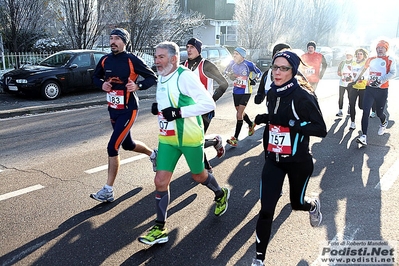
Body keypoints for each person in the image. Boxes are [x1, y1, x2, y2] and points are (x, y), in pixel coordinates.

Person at [138, 41, 230, 245]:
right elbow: (169, 102)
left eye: (161, 57)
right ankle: (160, 228)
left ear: (173, 58)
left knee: (198, 176)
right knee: (160, 181)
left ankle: (220, 192)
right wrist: (159, 108)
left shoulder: (185, 76)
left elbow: (208, 103)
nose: (156, 61)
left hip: (189, 136)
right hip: (168, 138)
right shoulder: (162, 77)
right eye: (155, 57)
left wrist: (178, 112)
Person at [251, 51, 327, 266]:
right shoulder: (273, 92)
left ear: (293, 71)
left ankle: (312, 205)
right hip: (274, 159)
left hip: (298, 162)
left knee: (296, 204)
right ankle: (259, 260)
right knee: (266, 210)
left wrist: (293, 124)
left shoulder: (303, 96)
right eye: (275, 67)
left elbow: (321, 129)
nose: (277, 72)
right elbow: (278, 119)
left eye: (284, 68)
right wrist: (267, 119)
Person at [90, 28, 158, 203]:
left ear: (124, 42)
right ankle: (153, 155)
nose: (112, 41)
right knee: (128, 144)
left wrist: (138, 87)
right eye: (111, 38)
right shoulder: (105, 60)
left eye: (116, 39)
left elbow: (152, 78)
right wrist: (101, 84)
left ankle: (108, 190)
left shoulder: (132, 60)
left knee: (113, 147)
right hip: (113, 109)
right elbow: (95, 77)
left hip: (128, 110)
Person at [183, 38, 229, 173]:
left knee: (195, 140)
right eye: (187, 47)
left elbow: (223, 83)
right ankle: (215, 142)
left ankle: (206, 168)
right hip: (189, 109)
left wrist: (212, 100)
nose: (189, 50)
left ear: (198, 49)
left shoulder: (206, 65)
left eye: (192, 47)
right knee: (193, 140)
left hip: (204, 109)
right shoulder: (183, 65)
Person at [356, 40, 396, 146]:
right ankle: (364, 136)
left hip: (382, 90)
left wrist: (380, 80)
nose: (379, 49)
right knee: (365, 111)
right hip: (369, 89)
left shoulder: (390, 59)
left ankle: (384, 122)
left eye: (382, 48)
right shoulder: (371, 59)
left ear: (386, 49)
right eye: (378, 48)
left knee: (379, 113)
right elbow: (362, 69)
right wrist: (355, 79)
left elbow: (393, 73)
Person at [224, 47, 262, 147]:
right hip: (236, 91)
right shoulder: (232, 63)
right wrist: (230, 75)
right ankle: (250, 124)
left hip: (246, 92)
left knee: (239, 114)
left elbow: (259, 72)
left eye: (236, 54)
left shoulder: (248, 64)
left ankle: (235, 139)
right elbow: (225, 71)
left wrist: (255, 79)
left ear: (242, 56)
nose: (234, 55)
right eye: (234, 53)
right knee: (238, 111)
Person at [347, 48, 369, 130]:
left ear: (364, 55)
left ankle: (365, 120)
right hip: (354, 87)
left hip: (363, 88)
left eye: (361, 54)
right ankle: (352, 123)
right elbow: (351, 74)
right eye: (358, 54)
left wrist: (362, 78)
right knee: (352, 104)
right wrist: (349, 78)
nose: (359, 56)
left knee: (361, 106)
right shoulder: (353, 63)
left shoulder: (366, 64)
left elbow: (368, 75)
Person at [336, 49, 354, 117]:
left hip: (350, 83)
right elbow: (338, 71)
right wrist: (340, 74)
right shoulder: (342, 62)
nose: (348, 56)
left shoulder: (354, 63)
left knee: (350, 97)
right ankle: (340, 110)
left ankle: (350, 107)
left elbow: (355, 72)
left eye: (349, 55)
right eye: (347, 55)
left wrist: (350, 77)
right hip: (342, 83)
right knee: (341, 97)